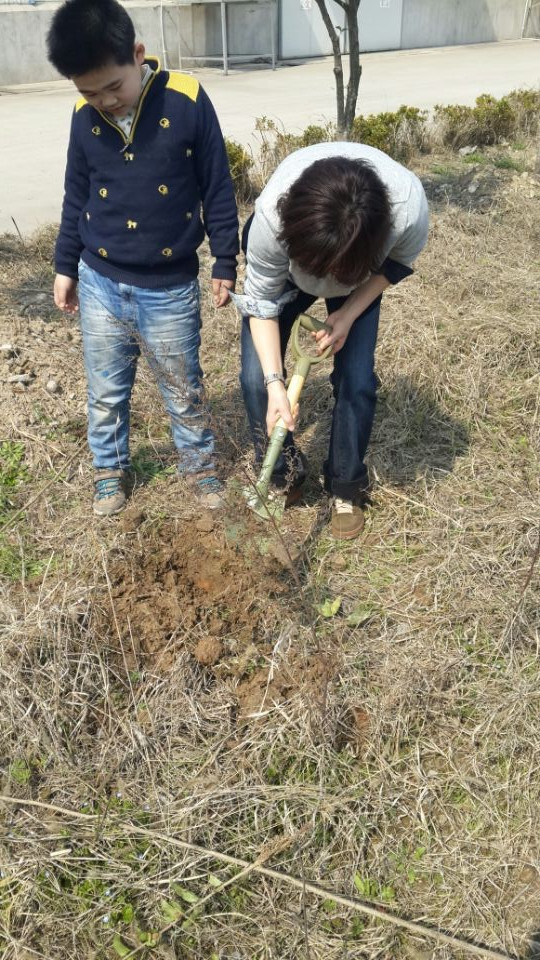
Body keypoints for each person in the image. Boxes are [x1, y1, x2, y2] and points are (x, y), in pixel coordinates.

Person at [47, 0, 239, 515]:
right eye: (90, 93)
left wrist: (225, 259)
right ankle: (110, 469)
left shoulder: (187, 99)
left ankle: (199, 467)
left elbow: (217, 185)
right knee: (106, 389)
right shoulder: (83, 117)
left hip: (170, 287)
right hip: (99, 281)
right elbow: (76, 193)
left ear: (138, 54)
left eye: (114, 87)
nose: (105, 101)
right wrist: (65, 266)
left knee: (182, 387)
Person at [240, 143, 429, 540]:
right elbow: (261, 306)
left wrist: (349, 312)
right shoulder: (271, 221)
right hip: (290, 270)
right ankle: (283, 475)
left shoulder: (408, 210)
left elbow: (396, 264)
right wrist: (275, 384)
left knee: (356, 380)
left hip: (359, 273)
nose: (324, 283)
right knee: (256, 378)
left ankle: (345, 486)